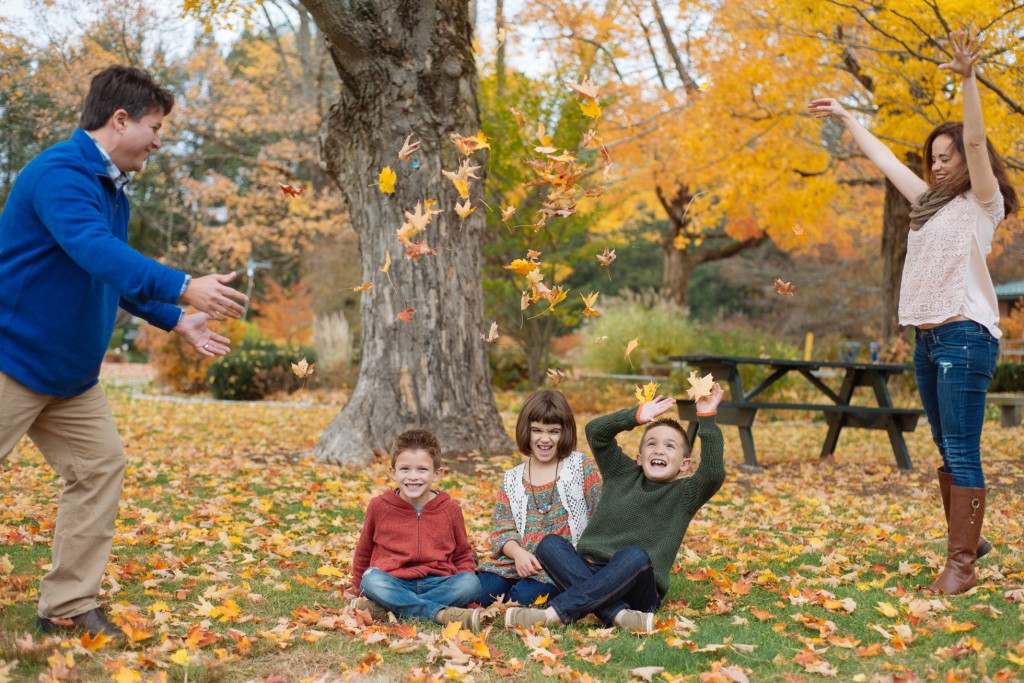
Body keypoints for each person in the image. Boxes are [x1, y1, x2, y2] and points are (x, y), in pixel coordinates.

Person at [0, 65, 249, 640]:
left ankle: (66, 606)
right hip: (13, 361)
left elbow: (109, 272)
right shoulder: (61, 174)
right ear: (120, 120)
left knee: (99, 467)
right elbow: (93, 250)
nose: (159, 141)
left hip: (69, 378)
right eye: (155, 127)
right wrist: (184, 283)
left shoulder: (109, 189)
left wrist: (176, 318)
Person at [809, 30, 1018, 595]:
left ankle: (962, 565)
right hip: (929, 341)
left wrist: (969, 80)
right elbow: (880, 158)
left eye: (947, 157)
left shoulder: (982, 202)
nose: (939, 164)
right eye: (933, 158)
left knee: (960, 448)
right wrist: (850, 118)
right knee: (943, 446)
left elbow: (976, 142)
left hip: (965, 337)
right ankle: (968, 539)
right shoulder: (927, 205)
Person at [505, 387, 725, 632]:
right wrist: (636, 415)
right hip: (591, 569)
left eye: (670, 446)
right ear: (640, 457)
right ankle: (619, 615)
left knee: (634, 555)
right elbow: (596, 432)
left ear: (685, 464)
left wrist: (707, 417)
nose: (659, 450)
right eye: (652, 444)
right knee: (548, 545)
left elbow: (713, 473)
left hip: (639, 586)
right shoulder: (621, 473)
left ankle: (552, 615)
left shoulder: (685, 495)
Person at [348, 429, 483, 632]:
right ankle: (440, 614)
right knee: (371, 580)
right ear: (393, 472)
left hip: (439, 583)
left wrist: (468, 597)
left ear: (437, 474)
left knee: (471, 583)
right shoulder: (379, 507)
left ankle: (388, 609)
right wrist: (356, 587)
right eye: (405, 469)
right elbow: (364, 551)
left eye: (422, 469)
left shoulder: (450, 509)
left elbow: (462, 555)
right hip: (394, 581)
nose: (413, 477)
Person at [476, 390, 601, 607]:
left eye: (554, 431)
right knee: (481, 591)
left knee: (522, 598)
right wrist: (518, 554)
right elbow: (502, 531)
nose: (545, 439)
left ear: (565, 432)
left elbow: (601, 516)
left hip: (561, 565)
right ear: (527, 431)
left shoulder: (580, 467)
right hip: (519, 562)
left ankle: (527, 596)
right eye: (536, 431)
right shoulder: (512, 479)